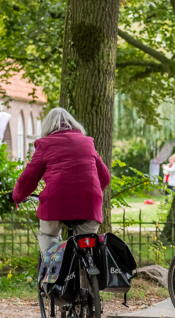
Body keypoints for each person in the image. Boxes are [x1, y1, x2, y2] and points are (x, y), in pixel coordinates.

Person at [12, 107, 111, 254]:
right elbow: (105, 176)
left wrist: (16, 197)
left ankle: (52, 269)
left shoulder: (45, 144)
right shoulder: (87, 142)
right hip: (89, 202)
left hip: (56, 202)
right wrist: (90, 192)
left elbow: (29, 178)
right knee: (88, 244)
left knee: (49, 236)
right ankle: (90, 268)